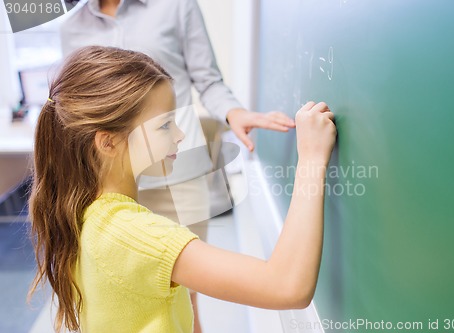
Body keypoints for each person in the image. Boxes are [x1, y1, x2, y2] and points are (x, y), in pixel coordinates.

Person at [28, 46, 336, 332]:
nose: (179, 135)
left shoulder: (86, 212)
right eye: (165, 125)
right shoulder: (138, 235)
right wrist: (310, 160)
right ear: (107, 142)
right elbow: (286, 287)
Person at [60, 2, 295, 329]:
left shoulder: (176, 6)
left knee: (185, 289)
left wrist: (233, 113)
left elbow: (208, 79)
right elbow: (72, 104)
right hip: (107, 177)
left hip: (177, 173)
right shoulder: (69, 27)